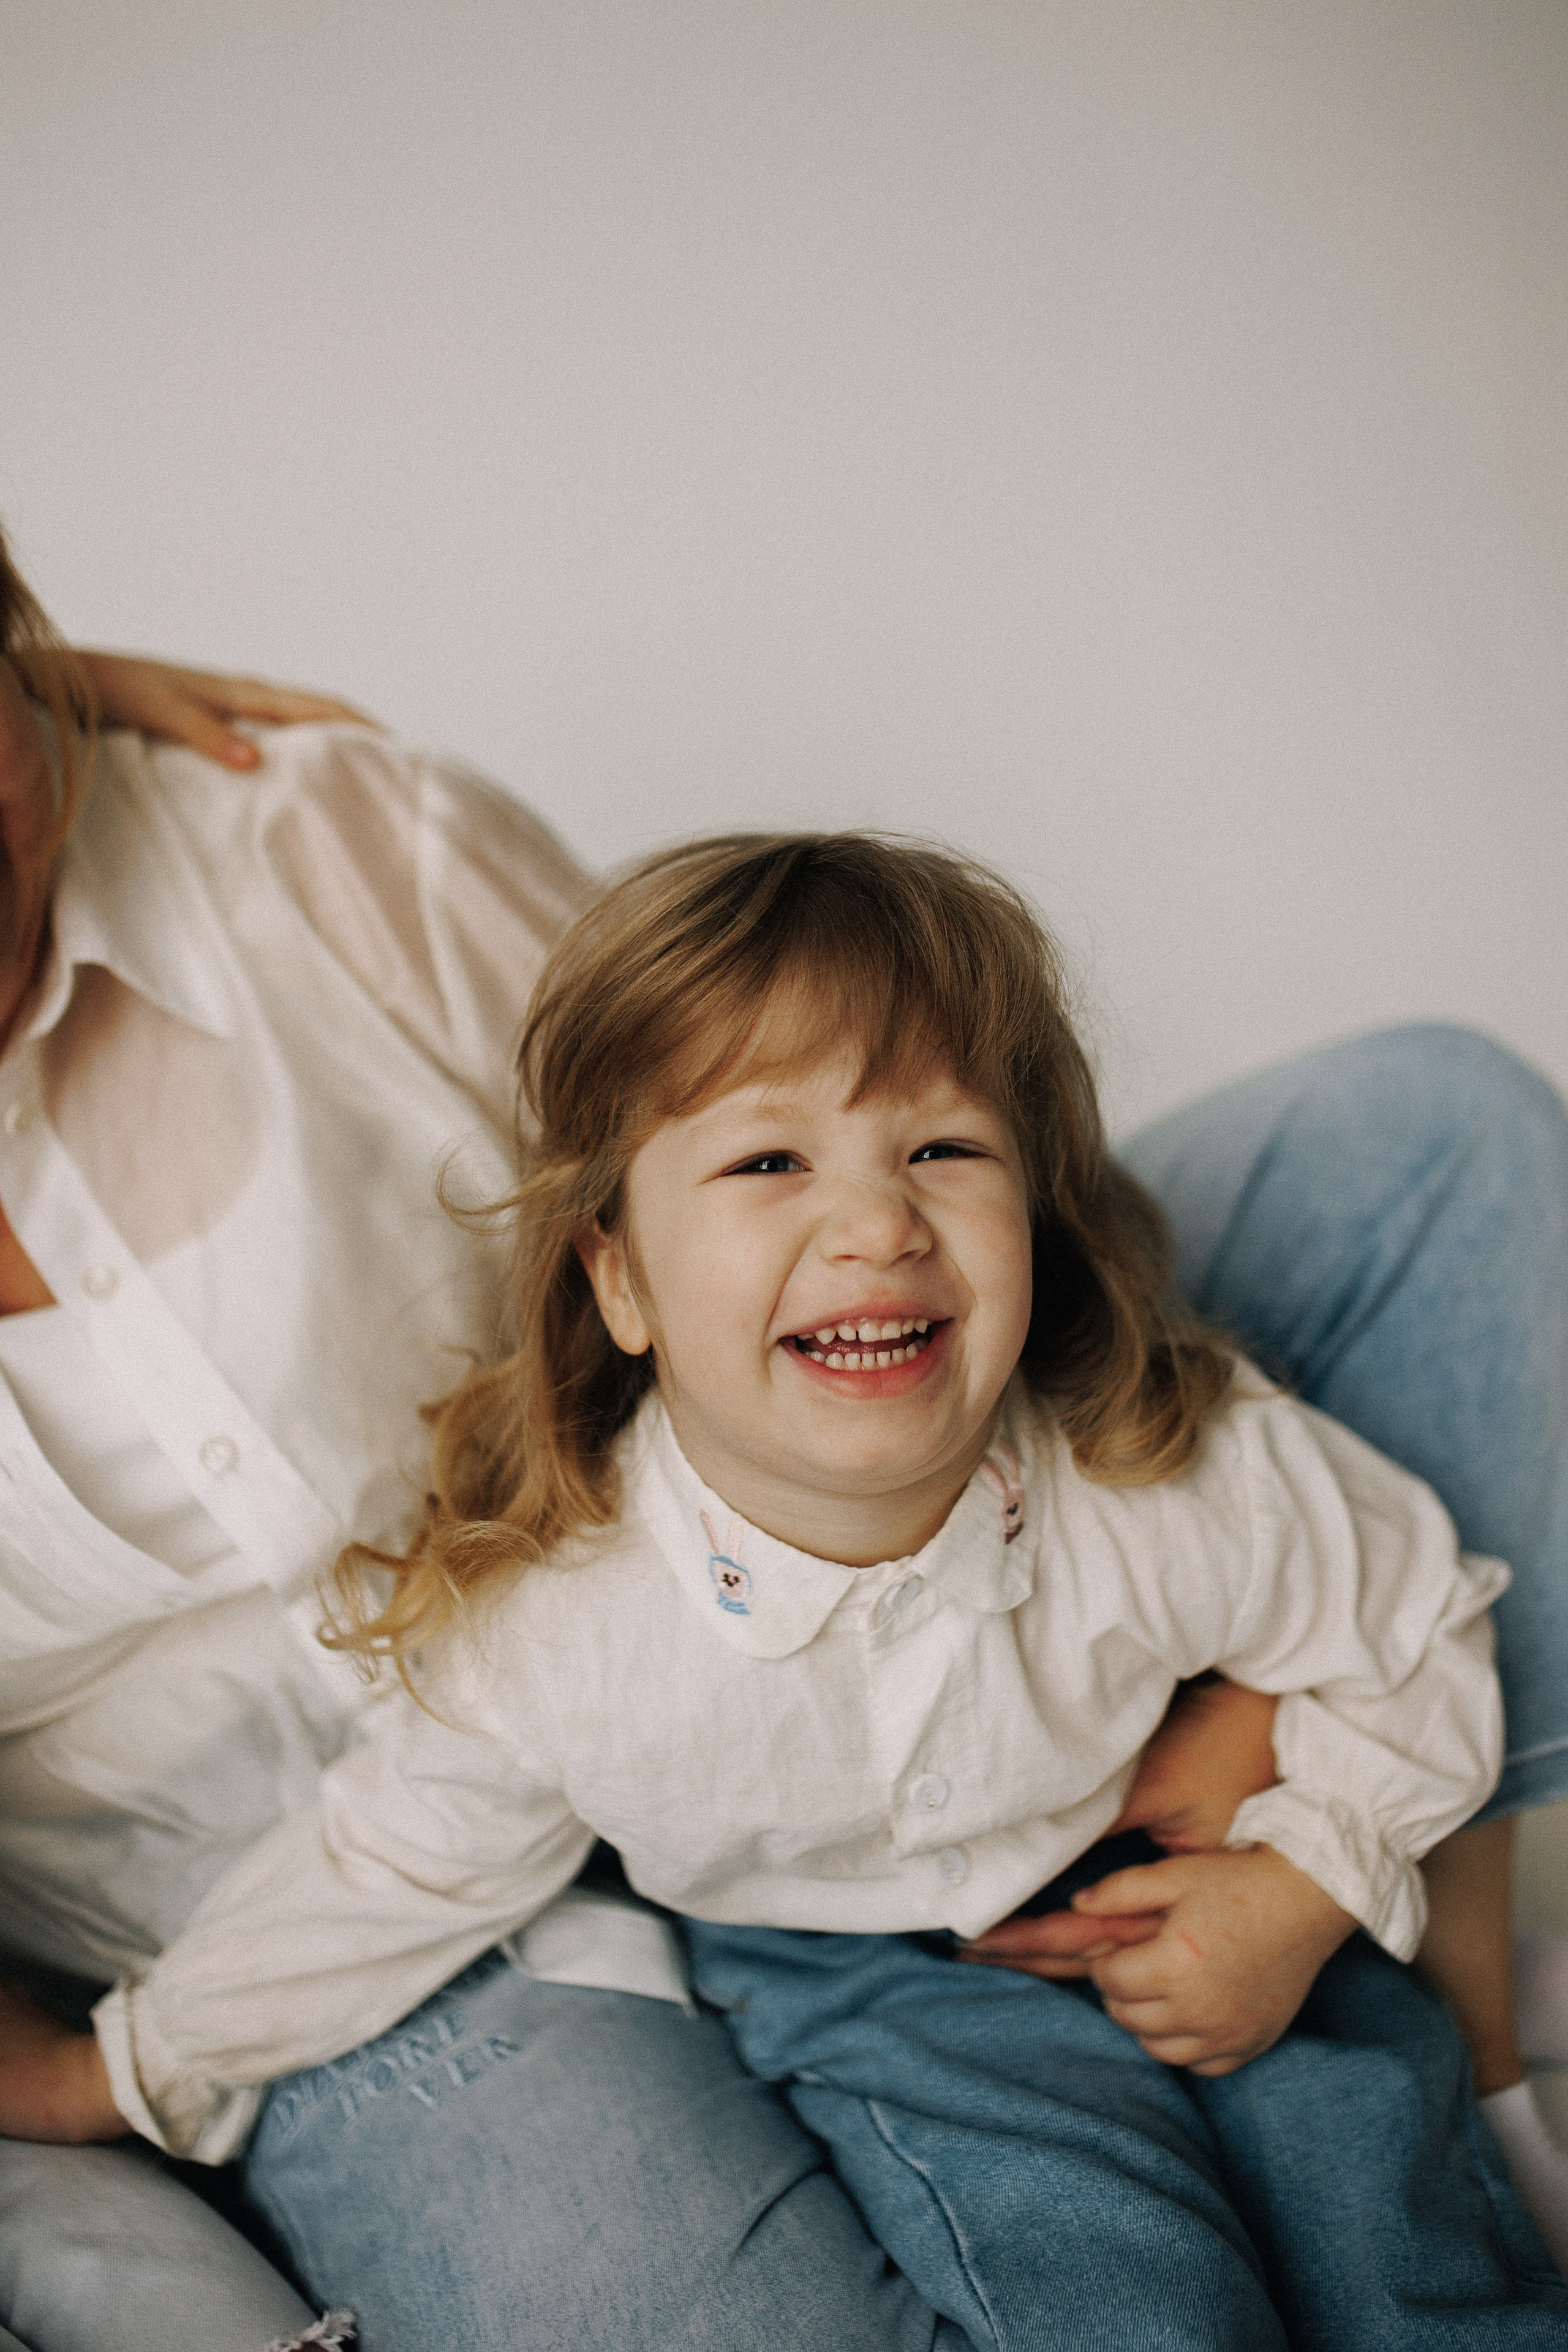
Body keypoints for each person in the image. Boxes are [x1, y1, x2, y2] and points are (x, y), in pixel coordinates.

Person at [1, 519, 1567, 2350]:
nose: (877, 1224)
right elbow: (393, 1865)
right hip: (836, 1967)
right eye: (773, 1168)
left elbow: (1402, 1608)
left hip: (1115, 1816)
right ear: (618, 1278)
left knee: (1385, 2191)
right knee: (1099, 2278)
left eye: (947, 1157)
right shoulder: (555, 1645)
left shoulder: (1166, 1475)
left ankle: (1481, 2043)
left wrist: (1312, 1855)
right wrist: (118, 2073)